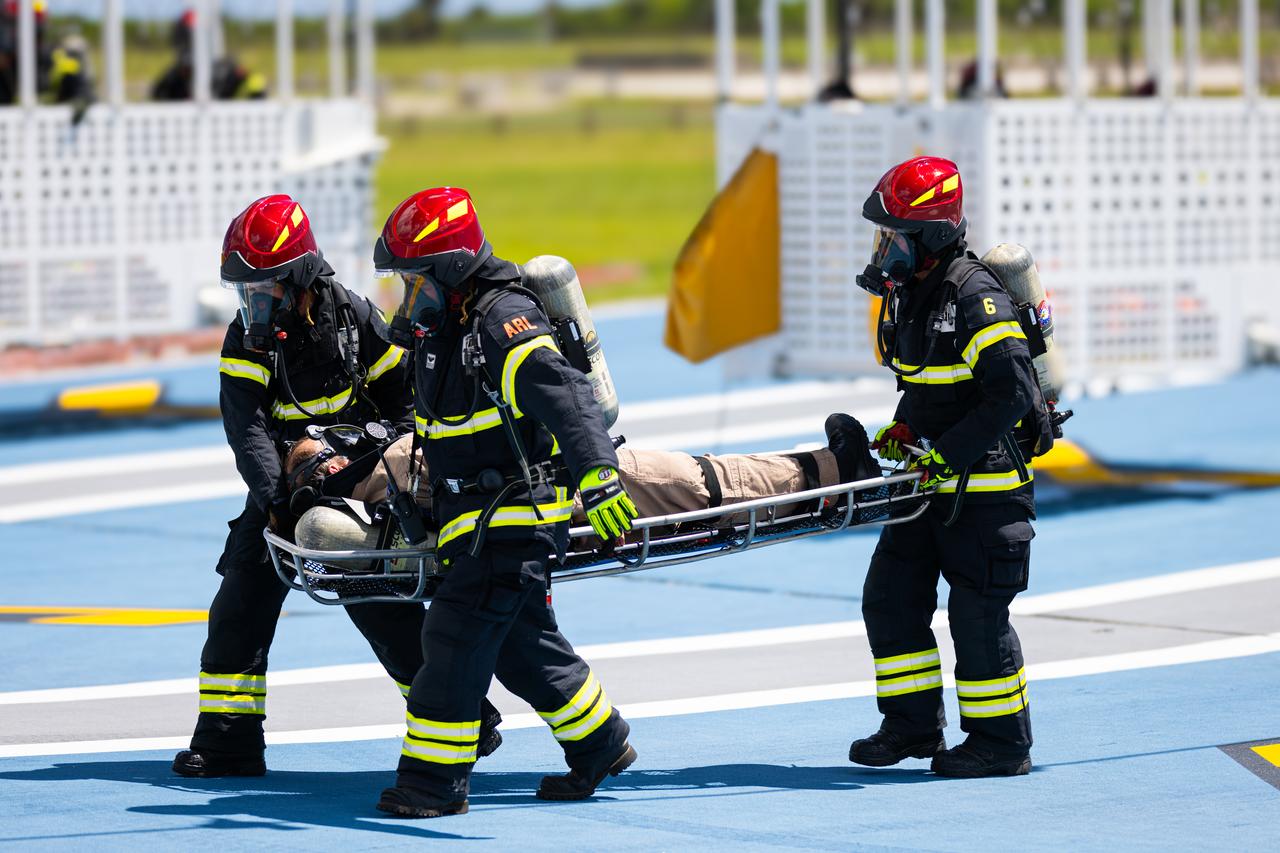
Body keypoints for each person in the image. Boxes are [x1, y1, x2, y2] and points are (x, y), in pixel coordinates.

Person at [172, 194, 502, 778]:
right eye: (244, 293)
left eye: (265, 290)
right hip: (281, 488)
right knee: (240, 602)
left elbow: (407, 406)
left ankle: (463, 718)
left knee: (375, 599)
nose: (254, 304)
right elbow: (245, 428)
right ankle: (228, 746)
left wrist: (370, 466)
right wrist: (276, 501)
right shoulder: (245, 341)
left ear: (300, 280)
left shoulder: (354, 320)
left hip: (359, 479)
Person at [371, 187, 645, 818]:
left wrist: (600, 476)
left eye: (415, 282)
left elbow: (566, 396)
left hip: (516, 517)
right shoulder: (445, 327)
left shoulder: (500, 318)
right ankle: (601, 742)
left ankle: (432, 783)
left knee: (453, 635)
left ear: (451, 271)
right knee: (524, 647)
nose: (407, 299)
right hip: (472, 522)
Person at [847, 156, 1046, 777]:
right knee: (890, 599)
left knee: (977, 618)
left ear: (932, 237)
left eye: (895, 237)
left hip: (984, 496)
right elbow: (935, 383)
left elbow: (1010, 395)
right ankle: (911, 727)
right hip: (930, 488)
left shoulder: (974, 295)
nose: (885, 250)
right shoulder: (914, 293)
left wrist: (945, 453)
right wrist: (910, 425)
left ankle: (1001, 745)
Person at [284, 414, 880, 528]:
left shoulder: (384, 492)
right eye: (321, 458)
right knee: (711, 487)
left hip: (560, 479)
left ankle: (828, 471)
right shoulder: (386, 476)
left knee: (708, 477)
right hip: (577, 487)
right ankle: (836, 475)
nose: (334, 448)